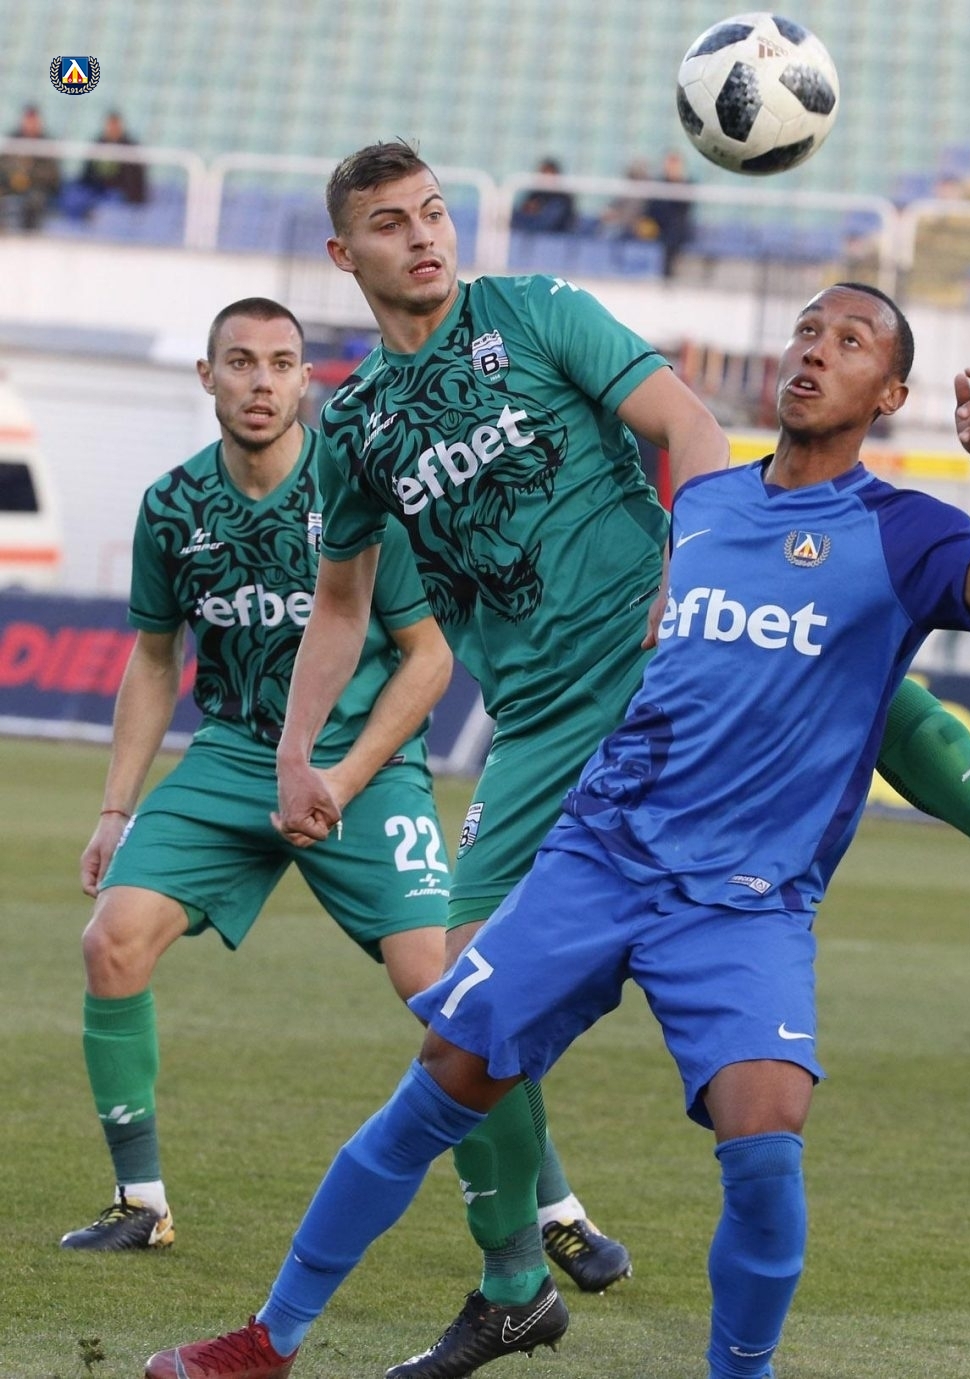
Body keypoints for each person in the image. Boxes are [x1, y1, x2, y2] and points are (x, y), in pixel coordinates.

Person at [143, 144, 970, 1379]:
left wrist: (698, 557)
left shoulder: (536, 311)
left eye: (435, 213)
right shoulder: (355, 423)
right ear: (343, 252)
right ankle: (508, 1280)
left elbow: (685, 421)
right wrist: (299, 750)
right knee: (454, 1005)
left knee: (849, 659)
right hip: (539, 726)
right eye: (392, 222)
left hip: (650, 643)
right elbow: (344, 602)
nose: (423, 237)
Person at [60, 299, 620, 1298]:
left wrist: (343, 776)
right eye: (241, 362)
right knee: (112, 940)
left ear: (305, 379)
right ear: (208, 377)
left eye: (282, 362)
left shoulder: (359, 487)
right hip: (234, 755)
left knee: (449, 989)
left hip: (363, 764)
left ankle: (556, 1210)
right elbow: (153, 659)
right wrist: (116, 809)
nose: (262, 381)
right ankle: (140, 1201)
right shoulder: (173, 507)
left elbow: (428, 657)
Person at [0, 103, 61, 231]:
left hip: (37, 188)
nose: (30, 125)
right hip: (10, 185)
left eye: (33, 121)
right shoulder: (13, 140)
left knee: (34, 201)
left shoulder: (47, 143)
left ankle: (28, 235)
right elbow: (3, 164)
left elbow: (52, 173)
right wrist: (14, 176)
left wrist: (28, 177)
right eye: (28, 120)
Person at [79, 109, 149, 209]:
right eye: (110, 125)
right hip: (97, 190)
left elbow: (134, 180)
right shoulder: (98, 145)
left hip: (120, 194)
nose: (113, 128)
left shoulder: (130, 147)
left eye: (115, 125)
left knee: (110, 202)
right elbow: (87, 173)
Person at [643, 149, 695, 277]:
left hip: (676, 229)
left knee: (674, 233)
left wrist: (677, 183)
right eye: (670, 163)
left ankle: (667, 274)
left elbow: (684, 209)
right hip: (656, 225)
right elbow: (651, 208)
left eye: (675, 164)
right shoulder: (659, 183)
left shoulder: (687, 184)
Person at [510, 156, 575, 233]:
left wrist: (538, 210)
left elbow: (550, 223)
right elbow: (524, 211)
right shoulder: (536, 193)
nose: (544, 178)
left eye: (548, 173)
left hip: (553, 235)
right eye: (542, 173)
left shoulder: (563, 198)